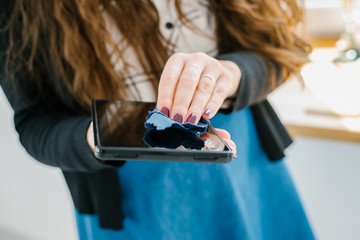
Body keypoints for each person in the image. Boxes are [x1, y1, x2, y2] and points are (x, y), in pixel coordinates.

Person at [0, 0, 314, 239]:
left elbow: (280, 50)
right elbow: (34, 124)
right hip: (126, 194)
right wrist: (98, 136)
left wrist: (231, 74)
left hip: (245, 165)